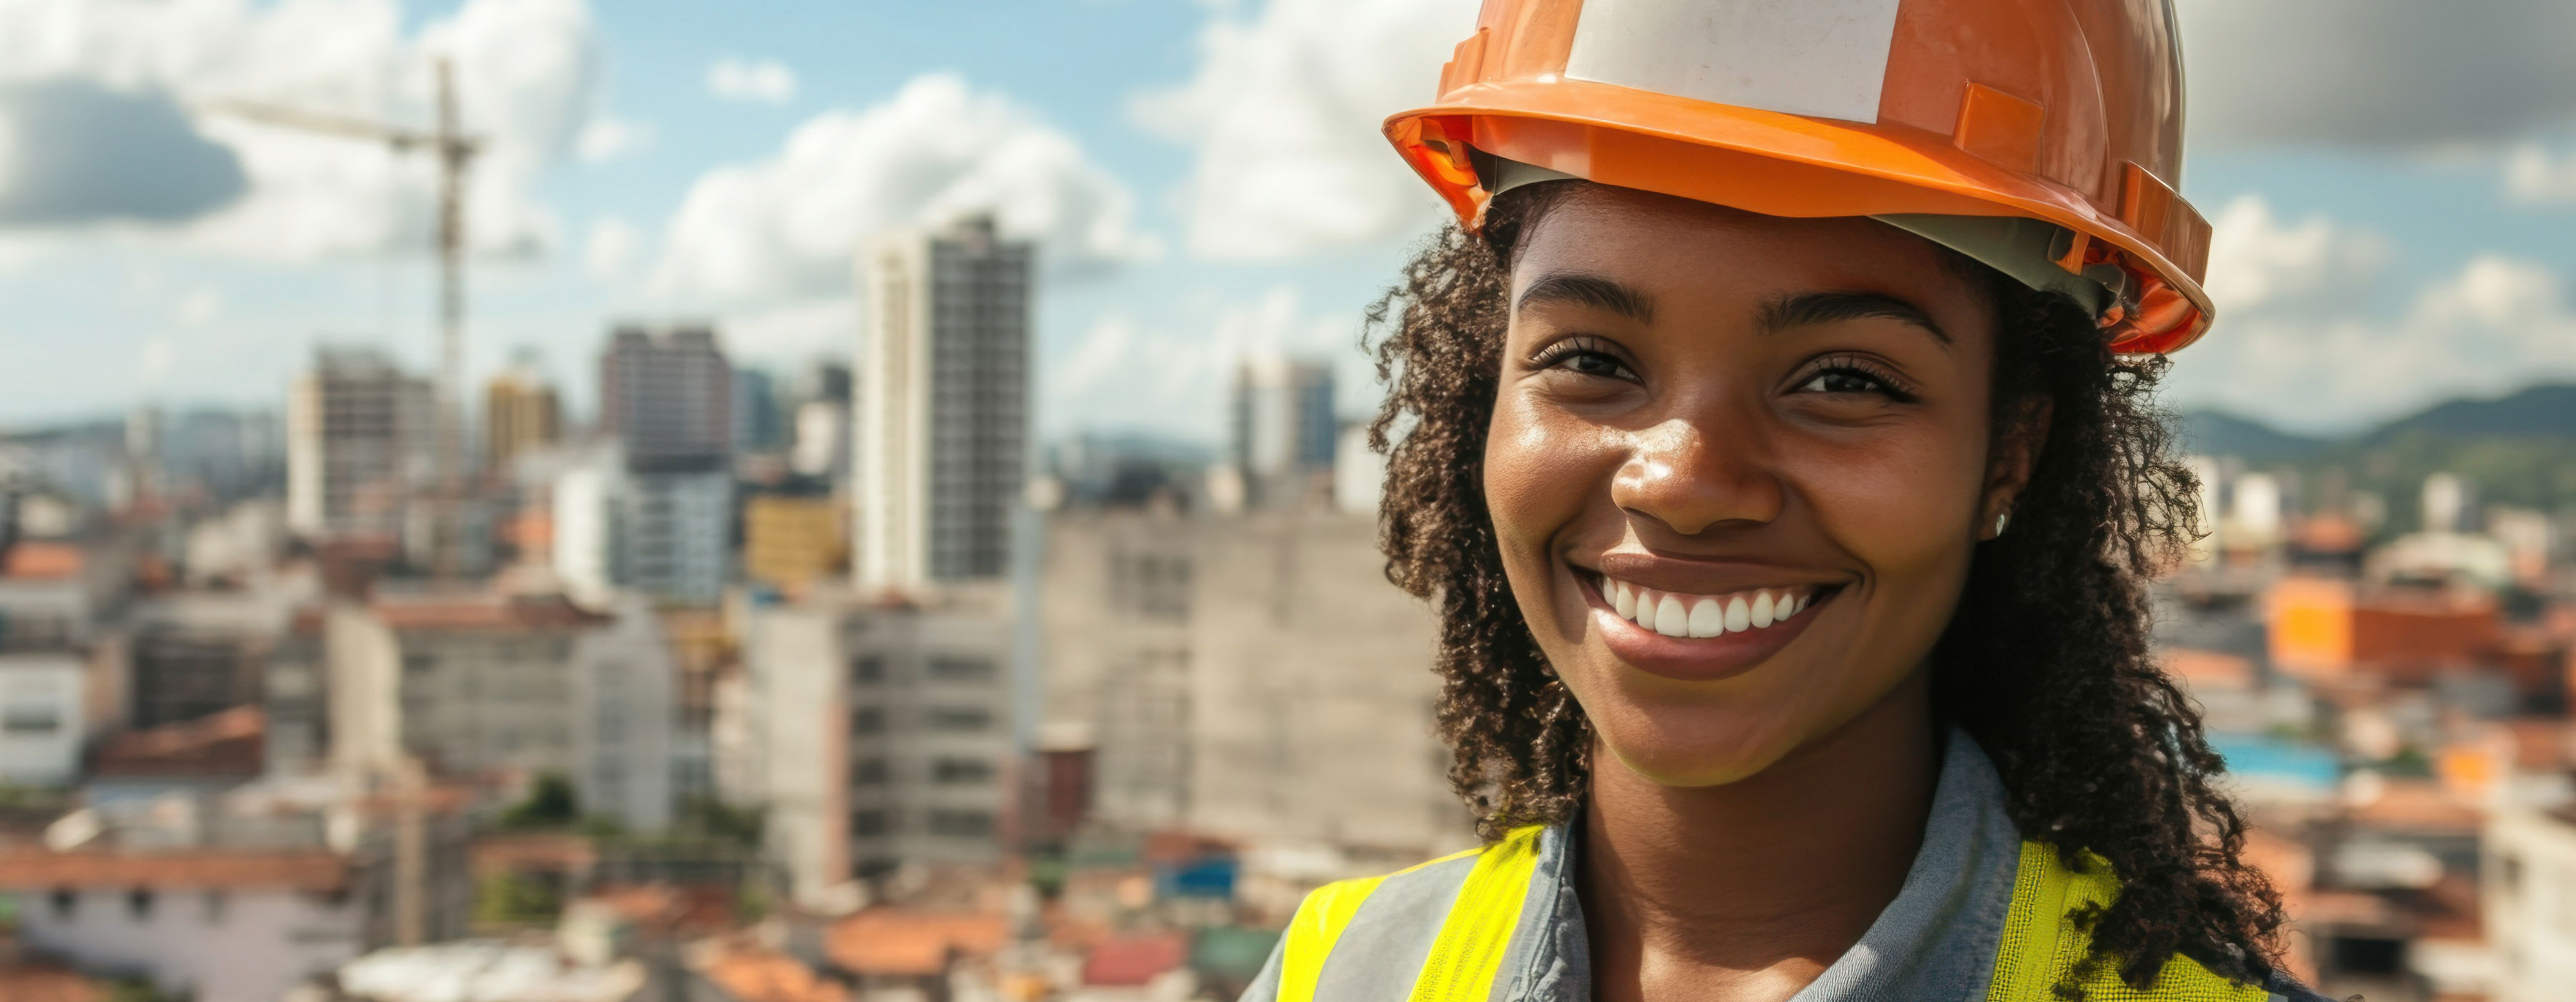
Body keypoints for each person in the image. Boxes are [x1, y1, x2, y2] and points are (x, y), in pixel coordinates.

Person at [1237, 2, 2332, 1001]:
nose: (1684, 481)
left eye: (1845, 381)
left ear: (2010, 453)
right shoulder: (1347, 969)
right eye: (1589, 358)